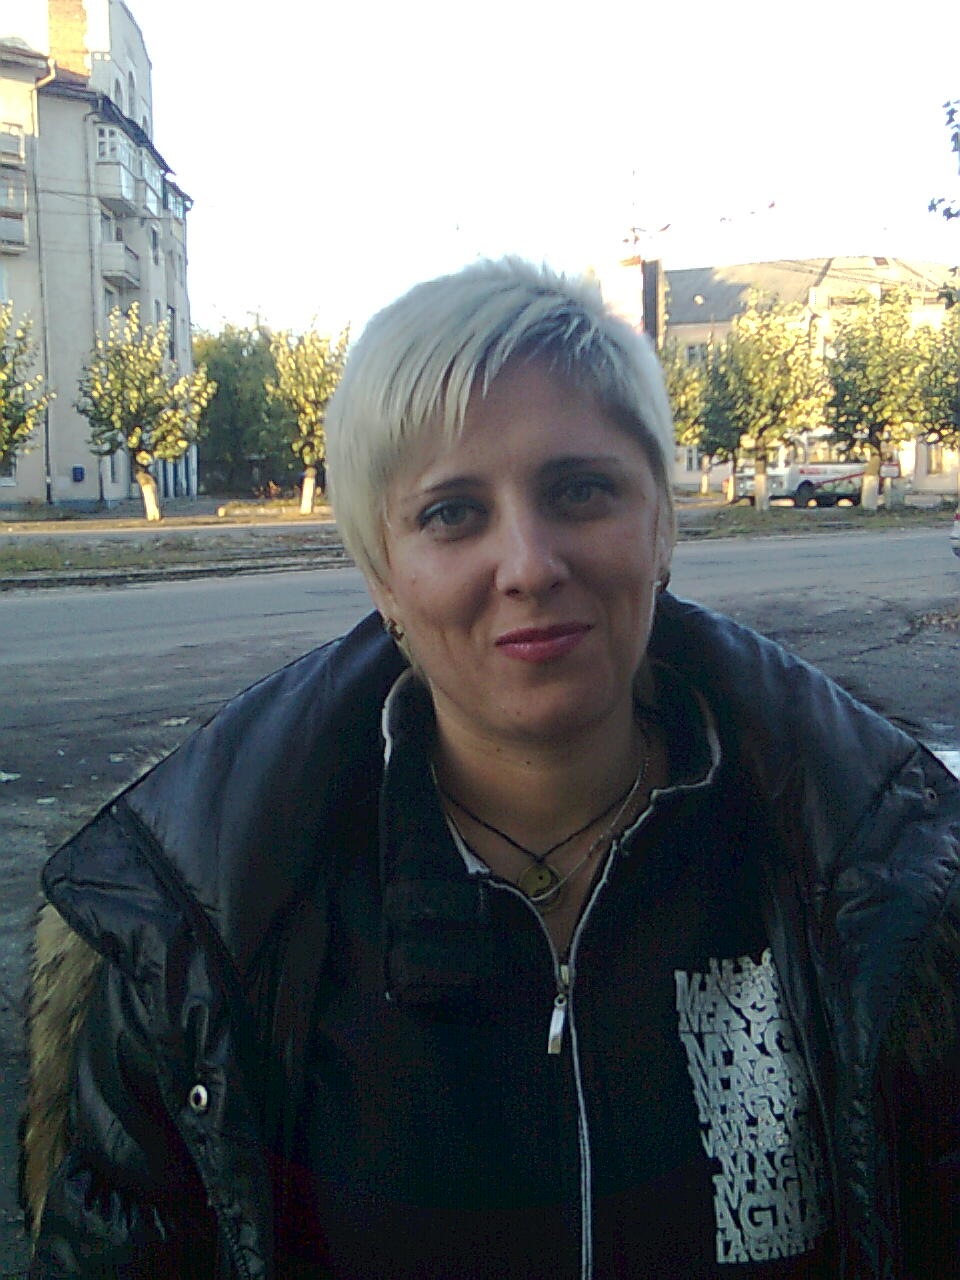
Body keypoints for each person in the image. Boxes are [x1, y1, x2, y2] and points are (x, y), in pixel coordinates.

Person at [20, 259, 960, 1279]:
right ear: (384, 578)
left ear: (661, 526)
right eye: (452, 513)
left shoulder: (880, 881)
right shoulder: (204, 926)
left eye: (580, 490)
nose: (529, 564)